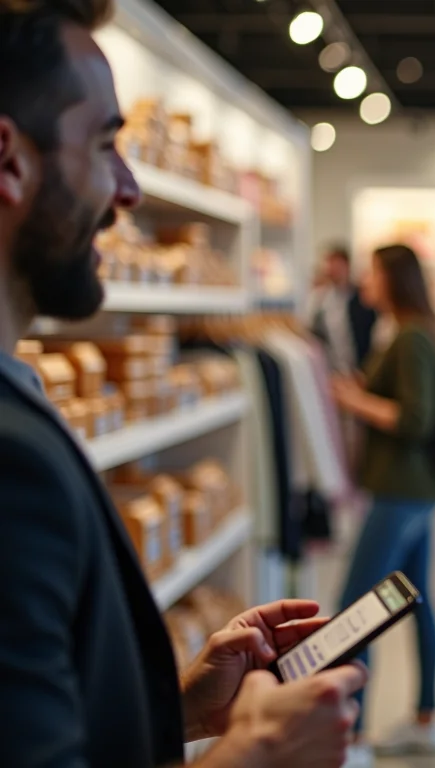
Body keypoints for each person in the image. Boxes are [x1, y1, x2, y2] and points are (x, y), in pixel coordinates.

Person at [0, 2, 367, 765]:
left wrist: (171, 712)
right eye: (104, 144)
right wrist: (259, 752)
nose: (128, 188)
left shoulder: (21, 396)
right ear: (9, 162)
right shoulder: (13, 459)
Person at [330, 244, 435, 765]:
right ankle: (426, 720)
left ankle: (352, 737)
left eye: (373, 272)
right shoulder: (412, 333)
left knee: (357, 611)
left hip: (399, 492)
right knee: (415, 599)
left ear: (393, 279)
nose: (365, 281)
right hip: (414, 491)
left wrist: (354, 401)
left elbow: (415, 419)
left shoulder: (409, 337)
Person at [308, 244, 378, 374]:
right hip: (334, 369)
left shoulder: (362, 297)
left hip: (361, 367)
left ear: (346, 266)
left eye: (337, 265)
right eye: (330, 265)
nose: (333, 270)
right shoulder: (322, 300)